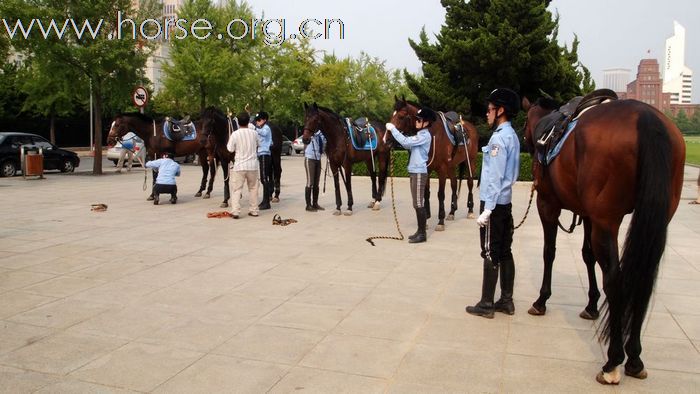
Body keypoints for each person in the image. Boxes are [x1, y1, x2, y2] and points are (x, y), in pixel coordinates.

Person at [466, 88, 521, 318]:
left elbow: (496, 176)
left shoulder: (499, 138)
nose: (487, 114)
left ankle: (487, 304)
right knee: (505, 251)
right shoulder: (512, 135)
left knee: (490, 251)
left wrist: (487, 209)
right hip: (505, 203)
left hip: (494, 205)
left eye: (489, 110)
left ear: (500, 111)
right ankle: (506, 301)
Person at [385, 106, 434, 243]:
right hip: (414, 171)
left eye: (419, 119)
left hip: (419, 172)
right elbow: (407, 145)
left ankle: (422, 234)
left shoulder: (425, 136)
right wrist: (395, 140)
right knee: (416, 203)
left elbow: (406, 142)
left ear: (426, 122)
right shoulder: (419, 135)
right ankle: (419, 231)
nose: (416, 121)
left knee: (418, 203)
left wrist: (393, 129)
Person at [227, 111, 260, 219]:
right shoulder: (254, 133)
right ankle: (254, 210)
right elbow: (258, 145)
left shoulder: (235, 134)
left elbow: (230, 149)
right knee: (253, 188)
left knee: (237, 189)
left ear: (238, 122)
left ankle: (236, 211)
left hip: (239, 165)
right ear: (248, 121)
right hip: (253, 165)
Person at [254, 111, 273, 210]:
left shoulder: (266, 128)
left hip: (265, 154)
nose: (257, 122)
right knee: (263, 178)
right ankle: (265, 200)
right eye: (256, 120)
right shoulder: (260, 128)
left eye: (259, 120)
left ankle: (267, 202)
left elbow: (263, 133)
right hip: (261, 155)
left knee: (264, 178)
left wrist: (254, 128)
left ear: (264, 120)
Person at [304, 129, 326, 211]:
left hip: (318, 158)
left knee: (316, 182)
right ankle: (308, 205)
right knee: (310, 182)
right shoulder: (309, 131)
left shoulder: (321, 133)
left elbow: (325, 143)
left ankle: (315, 203)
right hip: (310, 158)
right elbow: (305, 140)